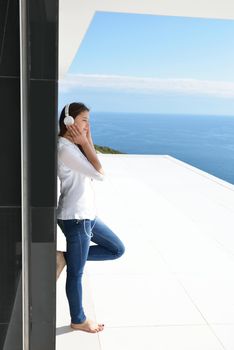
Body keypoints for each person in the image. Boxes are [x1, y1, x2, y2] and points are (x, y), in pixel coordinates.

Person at [56, 102, 125, 333]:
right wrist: (85, 142)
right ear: (69, 122)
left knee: (116, 249)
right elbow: (99, 174)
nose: (87, 124)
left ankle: (64, 257)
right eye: (84, 120)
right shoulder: (65, 149)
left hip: (86, 216)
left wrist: (87, 138)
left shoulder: (72, 146)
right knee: (76, 274)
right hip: (76, 218)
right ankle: (78, 320)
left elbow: (92, 160)